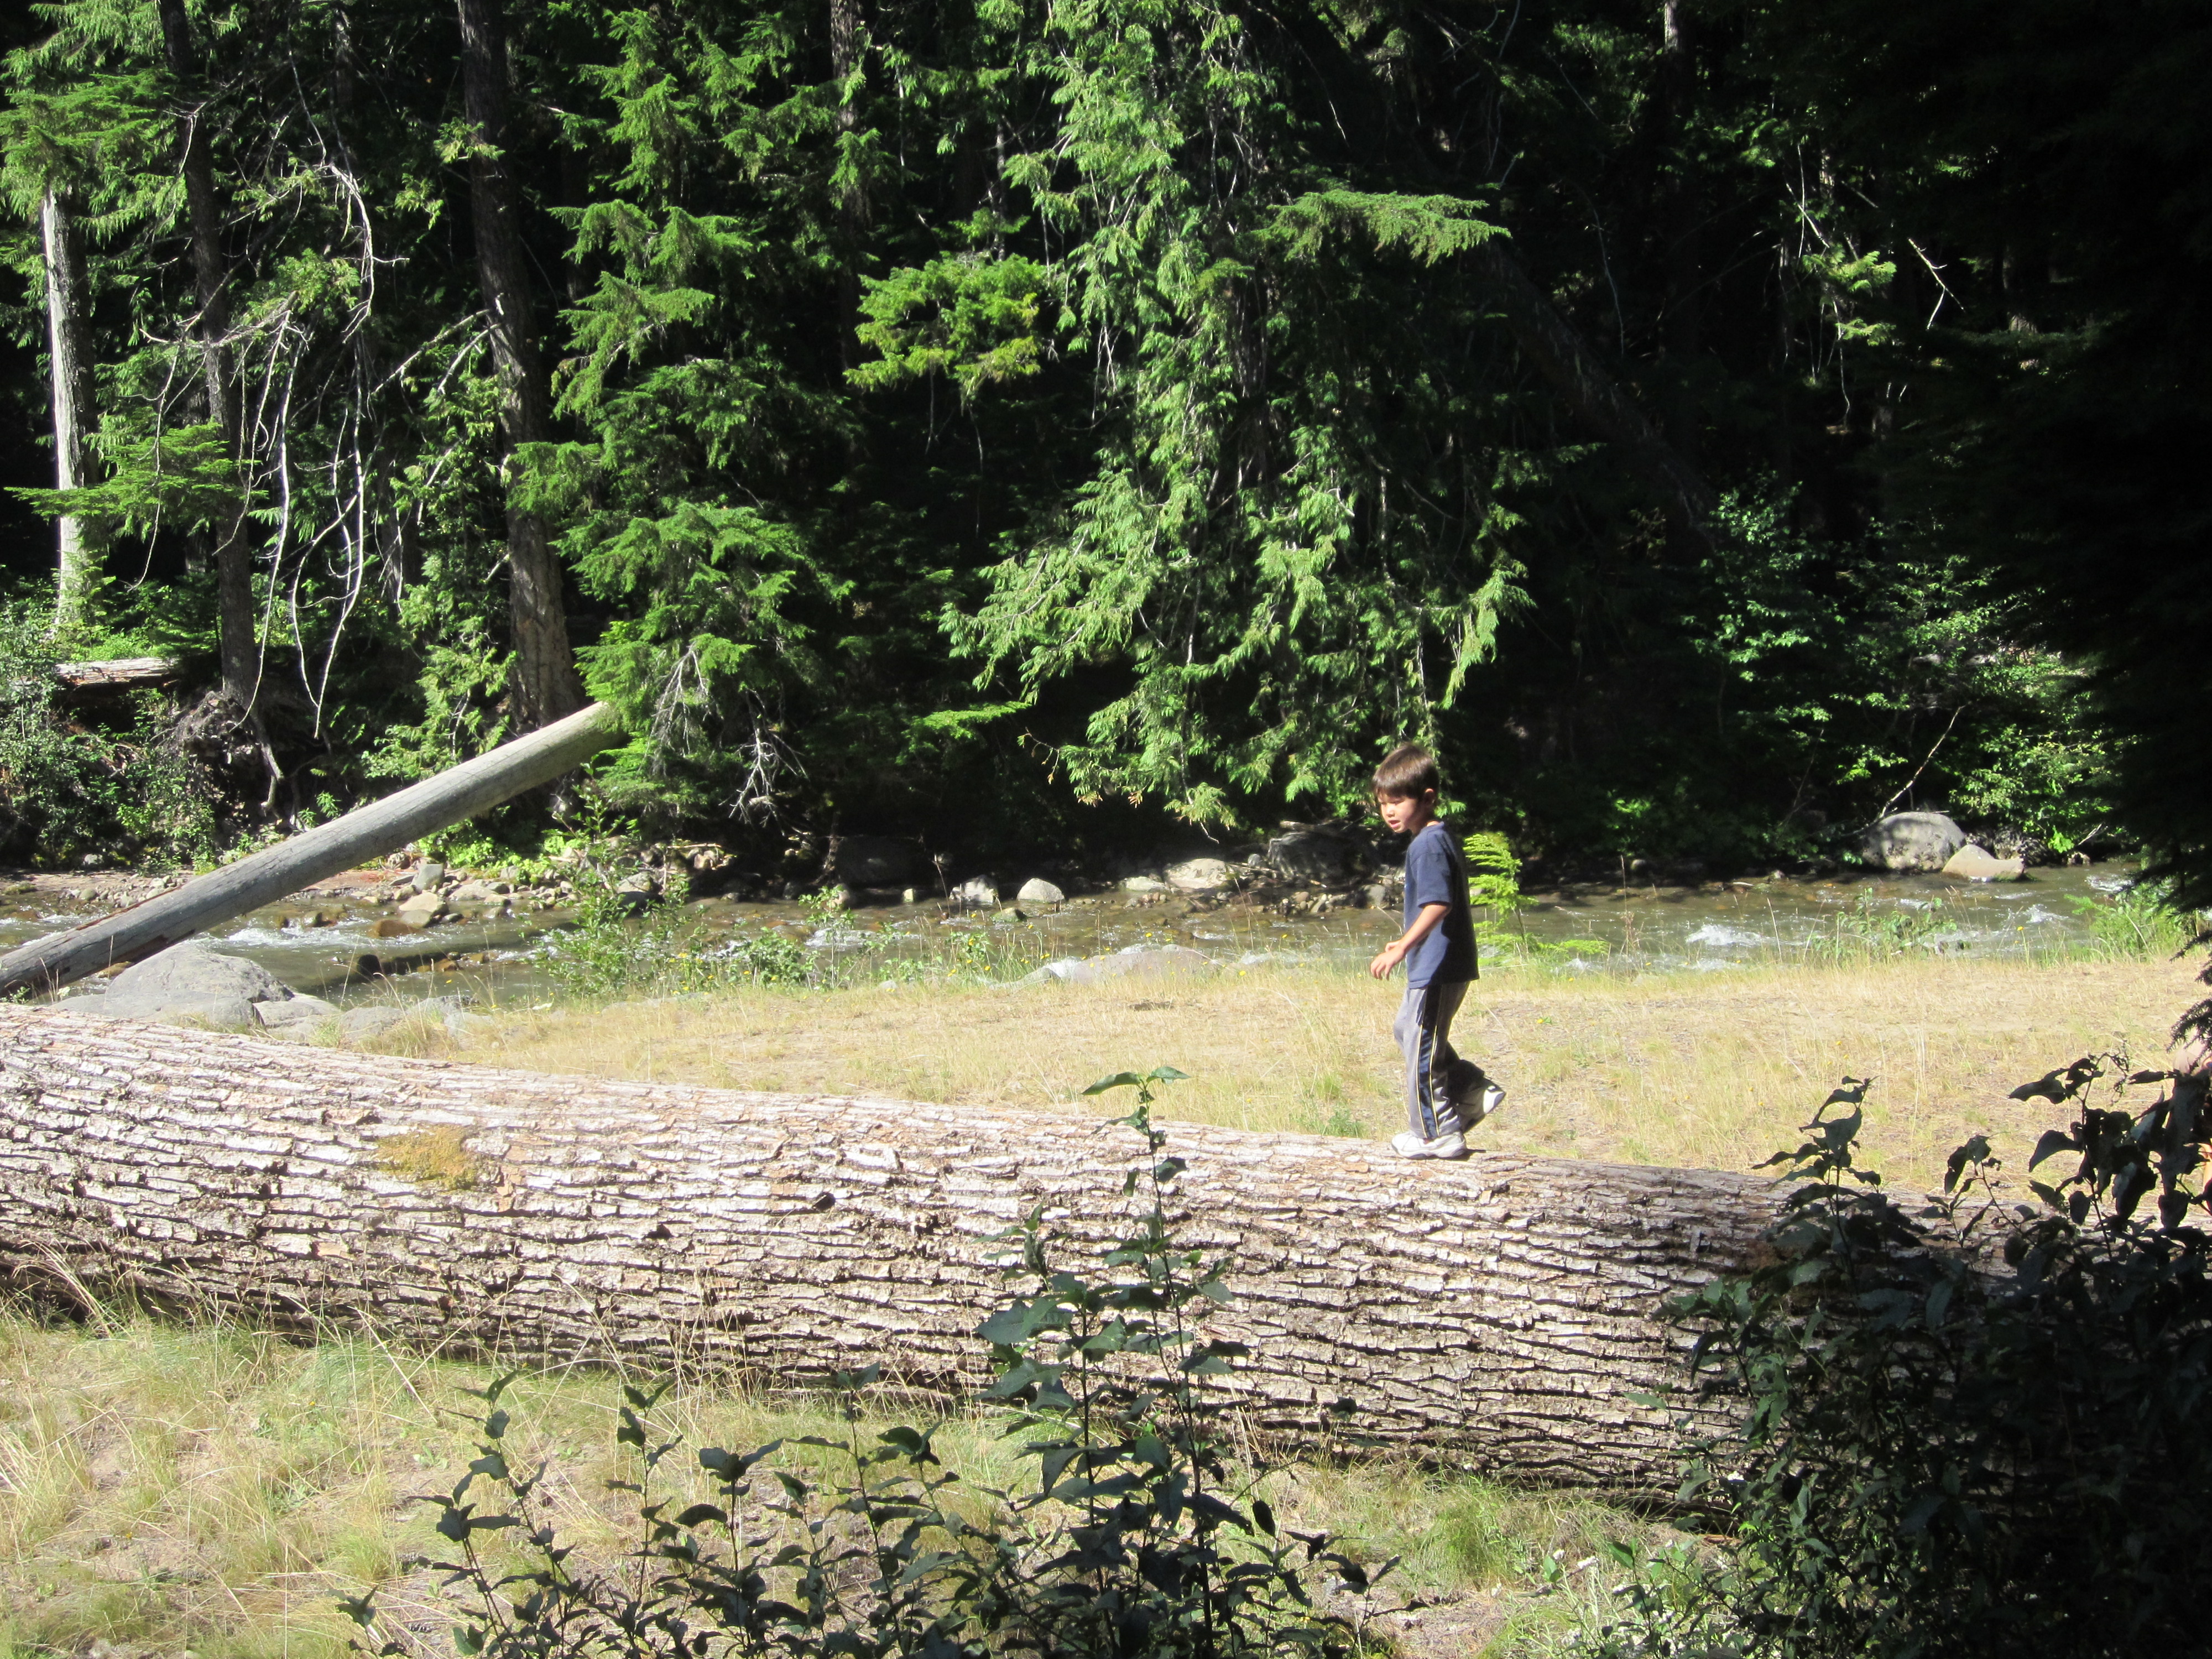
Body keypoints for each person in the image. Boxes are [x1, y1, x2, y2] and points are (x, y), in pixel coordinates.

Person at [1366, 744, 1504, 1160]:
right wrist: (1405, 944)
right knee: (1407, 1031)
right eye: (1383, 803)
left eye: (1397, 801)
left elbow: (1438, 904)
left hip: (1438, 965)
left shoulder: (1426, 845)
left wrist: (1402, 948)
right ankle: (1469, 1090)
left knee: (1420, 1044)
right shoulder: (1435, 837)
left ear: (1427, 798)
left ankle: (1436, 1132)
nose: (1389, 811)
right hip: (1441, 963)